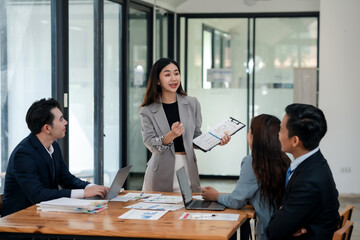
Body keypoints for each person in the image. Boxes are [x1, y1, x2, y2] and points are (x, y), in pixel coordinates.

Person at [1, 98, 109, 217]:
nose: (66, 122)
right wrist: (84, 193)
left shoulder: (54, 146)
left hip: (44, 216)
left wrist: (93, 187)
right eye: (61, 119)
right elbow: (38, 195)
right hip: (20, 223)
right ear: (47, 128)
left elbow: (67, 179)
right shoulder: (23, 154)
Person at [139, 58, 230, 193]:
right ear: (157, 80)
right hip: (160, 172)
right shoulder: (147, 110)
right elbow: (150, 143)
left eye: (176, 73)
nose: (173, 78)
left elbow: (195, 137)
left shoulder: (192, 103)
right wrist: (171, 135)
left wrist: (216, 141)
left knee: (188, 210)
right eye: (167, 74)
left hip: (188, 168)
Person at [201, 114, 290, 240]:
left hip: (267, 231)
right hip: (283, 228)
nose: (247, 135)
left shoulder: (252, 161)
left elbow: (236, 201)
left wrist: (216, 196)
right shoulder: (285, 159)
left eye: (249, 131)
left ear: (255, 137)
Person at [266, 103, 340, 240]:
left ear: (295, 141)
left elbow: (273, 231)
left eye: (281, 130)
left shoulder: (309, 181)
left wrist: (284, 216)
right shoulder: (315, 162)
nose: (278, 135)